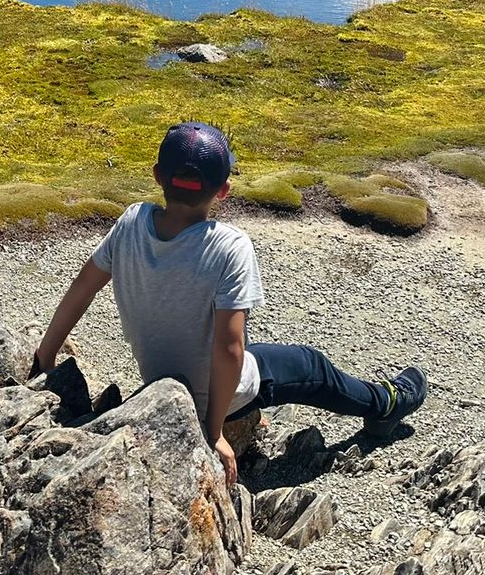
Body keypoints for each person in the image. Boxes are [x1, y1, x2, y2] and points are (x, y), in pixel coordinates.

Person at [32, 121, 427, 487]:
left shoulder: (132, 222)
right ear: (223, 189)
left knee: (273, 357)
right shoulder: (228, 246)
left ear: (157, 176)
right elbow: (229, 347)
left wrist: (45, 358)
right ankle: (386, 403)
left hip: (161, 380)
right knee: (311, 366)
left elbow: (83, 287)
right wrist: (213, 430)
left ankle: (376, 403)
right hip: (221, 396)